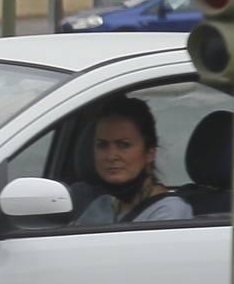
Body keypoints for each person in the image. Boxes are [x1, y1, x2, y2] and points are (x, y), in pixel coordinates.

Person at [75, 95, 193, 225]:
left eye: (124, 145)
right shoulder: (101, 206)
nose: (111, 156)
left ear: (149, 153)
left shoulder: (169, 211)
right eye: (102, 145)